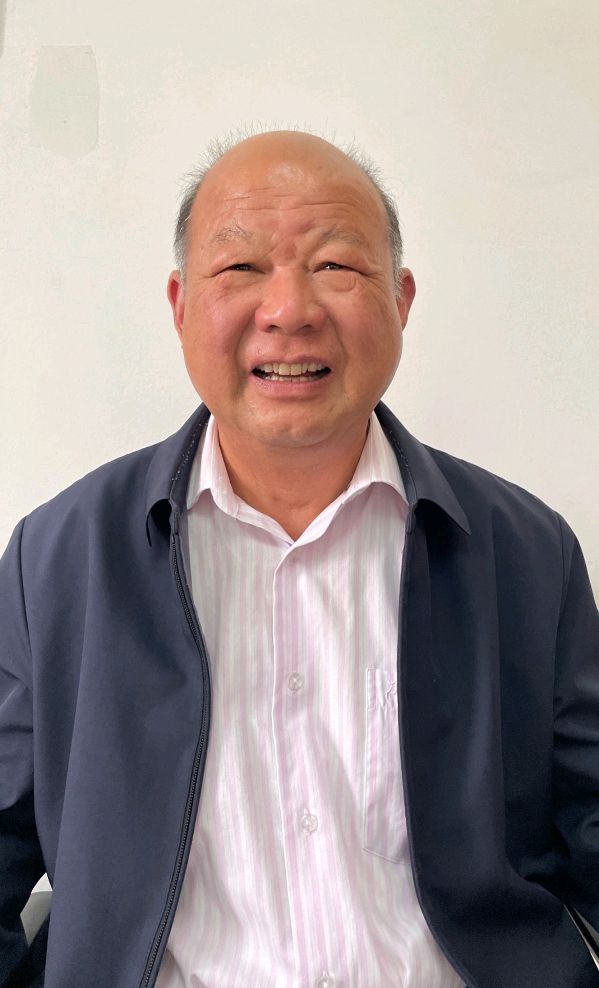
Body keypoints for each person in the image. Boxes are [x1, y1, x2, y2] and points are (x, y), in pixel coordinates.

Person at [0, 129, 597, 988]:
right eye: (240, 268)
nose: (288, 310)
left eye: (335, 266)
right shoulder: (59, 558)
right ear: (180, 304)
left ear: (400, 300)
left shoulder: (523, 551)